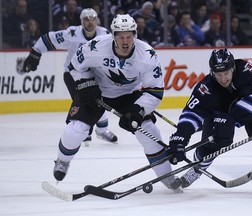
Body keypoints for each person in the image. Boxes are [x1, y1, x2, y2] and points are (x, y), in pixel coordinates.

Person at [52, 14, 182, 192]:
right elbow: (74, 67)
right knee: (75, 130)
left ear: (135, 35)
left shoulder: (147, 55)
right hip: (96, 91)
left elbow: (155, 91)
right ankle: (62, 161)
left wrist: (138, 110)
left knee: (149, 131)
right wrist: (85, 84)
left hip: (129, 95)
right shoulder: (96, 46)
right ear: (113, 35)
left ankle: (168, 177)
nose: (125, 41)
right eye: (120, 36)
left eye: (129, 36)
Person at [168, 48, 252, 191]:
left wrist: (230, 121)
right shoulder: (206, 88)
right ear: (212, 72)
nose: (223, 78)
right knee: (213, 142)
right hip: (220, 111)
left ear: (233, 68)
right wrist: (181, 136)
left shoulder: (246, 71)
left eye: (226, 73)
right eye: (218, 74)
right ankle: (197, 169)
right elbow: (192, 113)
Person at [22, 8, 118, 144]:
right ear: (81, 21)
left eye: (93, 19)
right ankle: (83, 129)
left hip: (94, 74)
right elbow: (48, 38)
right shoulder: (72, 34)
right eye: (86, 19)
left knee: (100, 100)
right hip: (72, 73)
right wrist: (35, 52)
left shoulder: (105, 34)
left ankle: (102, 131)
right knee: (85, 100)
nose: (90, 22)